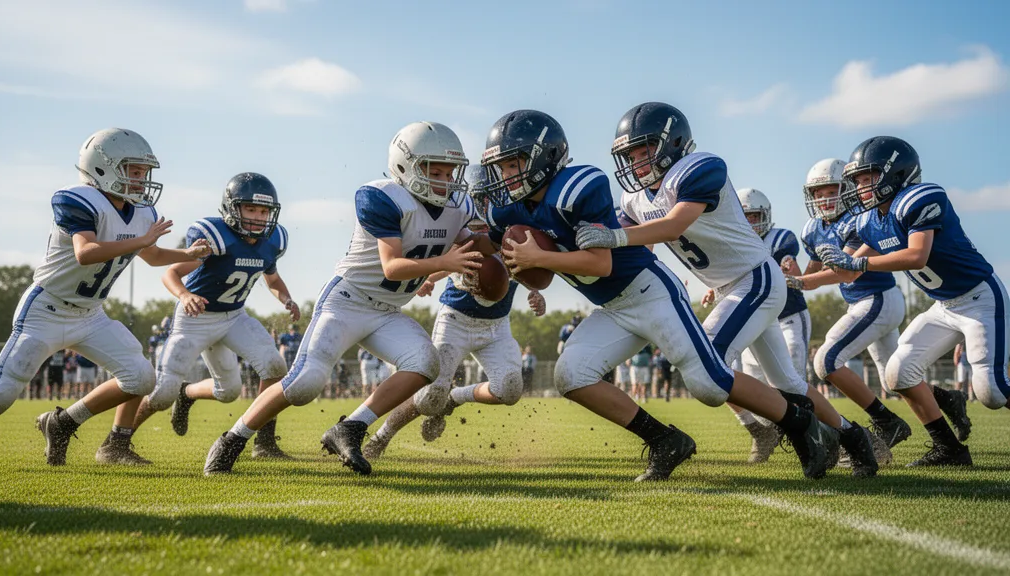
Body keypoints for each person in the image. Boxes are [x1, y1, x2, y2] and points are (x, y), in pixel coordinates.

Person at [487, 109, 833, 480]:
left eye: (515, 163)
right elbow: (496, 249)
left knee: (710, 384)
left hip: (651, 293)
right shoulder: (508, 208)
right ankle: (664, 440)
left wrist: (541, 257)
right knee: (571, 375)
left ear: (545, 156)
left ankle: (801, 423)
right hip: (613, 307)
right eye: (502, 166)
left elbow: (600, 264)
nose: (507, 174)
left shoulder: (579, 187)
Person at [577, 103, 874, 476]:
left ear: (674, 143)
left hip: (755, 278)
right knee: (787, 381)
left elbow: (672, 225)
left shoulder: (699, 168)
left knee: (706, 363)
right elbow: (639, 248)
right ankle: (853, 439)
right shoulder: (633, 199)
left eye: (645, 150)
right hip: (728, 288)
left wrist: (614, 236)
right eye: (630, 155)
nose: (637, 162)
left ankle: (803, 430)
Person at [204, 121, 482, 476]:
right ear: (405, 165)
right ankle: (233, 439)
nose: (444, 180)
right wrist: (444, 263)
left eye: (449, 171)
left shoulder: (460, 204)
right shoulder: (383, 196)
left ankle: (350, 427)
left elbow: (476, 239)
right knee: (305, 383)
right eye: (434, 170)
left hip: (387, 311)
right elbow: (393, 267)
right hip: (348, 301)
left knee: (425, 364)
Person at [0, 127, 210, 469]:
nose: (141, 180)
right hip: (45, 310)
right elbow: (86, 252)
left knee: (141, 377)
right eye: (134, 171)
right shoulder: (77, 199)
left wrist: (191, 254)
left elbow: (151, 255)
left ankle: (70, 427)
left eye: (144, 172)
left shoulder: (140, 213)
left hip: (90, 315)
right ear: (103, 167)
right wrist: (140, 242)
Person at [820, 136, 1002, 464]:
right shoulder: (868, 220)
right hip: (944, 306)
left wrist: (857, 263)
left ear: (895, 172)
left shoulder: (919, 197)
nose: (860, 188)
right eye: (858, 181)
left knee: (991, 391)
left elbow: (917, 255)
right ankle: (949, 449)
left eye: (867, 178)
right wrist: (807, 274)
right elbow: (848, 273)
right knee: (898, 374)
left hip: (979, 298)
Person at [363, 168, 547, 458]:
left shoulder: (511, 230)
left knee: (509, 389)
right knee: (427, 397)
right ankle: (381, 436)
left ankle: (455, 398)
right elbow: (447, 262)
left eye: (490, 199)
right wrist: (429, 278)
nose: (484, 209)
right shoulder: (458, 229)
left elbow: (525, 271)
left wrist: (536, 293)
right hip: (456, 320)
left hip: (497, 326)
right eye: (480, 200)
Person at [133, 172, 298, 461]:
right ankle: (118, 439)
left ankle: (264, 441)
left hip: (234, 317)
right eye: (251, 209)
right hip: (196, 318)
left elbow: (272, 278)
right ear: (233, 208)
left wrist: (287, 298)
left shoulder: (273, 239)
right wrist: (185, 295)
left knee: (260, 374)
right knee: (162, 394)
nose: (259, 217)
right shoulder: (213, 235)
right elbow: (170, 273)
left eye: (264, 211)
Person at [785, 158, 915, 455]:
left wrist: (803, 284)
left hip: (876, 298)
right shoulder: (812, 228)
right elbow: (812, 273)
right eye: (818, 193)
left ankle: (886, 421)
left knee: (827, 361)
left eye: (831, 191)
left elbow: (845, 272)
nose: (824, 198)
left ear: (846, 189)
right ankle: (948, 405)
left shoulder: (860, 219)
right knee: (897, 379)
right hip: (863, 303)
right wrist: (794, 275)